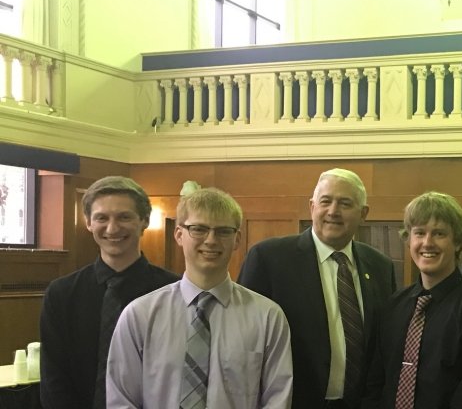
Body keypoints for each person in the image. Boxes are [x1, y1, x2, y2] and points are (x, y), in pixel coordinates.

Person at [106, 187, 293, 407]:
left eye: (223, 231)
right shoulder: (141, 315)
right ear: (178, 235)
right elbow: (122, 400)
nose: (211, 240)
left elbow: (277, 399)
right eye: (199, 229)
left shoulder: (267, 317)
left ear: (237, 239)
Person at [239, 168, 396, 408]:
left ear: (363, 213)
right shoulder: (269, 259)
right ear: (312, 207)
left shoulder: (381, 267)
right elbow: (244, 341)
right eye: (326, 201)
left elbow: (383, 345)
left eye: (345, 203)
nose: (333, 211)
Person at [39, 176, 179, 408]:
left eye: (124, 217)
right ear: (88, 223)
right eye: (102, 218)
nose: (112, 228)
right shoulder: (61, 294)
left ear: (144, 220)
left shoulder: (173, 292)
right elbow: (54, 379)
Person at [364, 192, 462, 408]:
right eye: (419, 233)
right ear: (409, 240)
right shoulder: (393, 307)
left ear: (458, 242)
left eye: (439, 234)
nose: (427, 243)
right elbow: (375, 383)